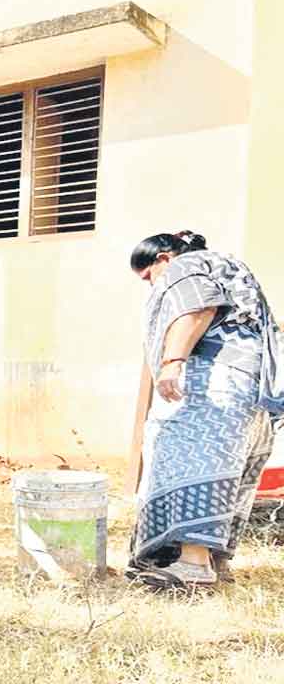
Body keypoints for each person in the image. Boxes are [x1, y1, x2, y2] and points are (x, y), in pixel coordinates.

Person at [126, 231, 281, 589]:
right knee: (229, 469)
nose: (150, 285)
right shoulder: (231, 268)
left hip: (213, 383)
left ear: (164, 257)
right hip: (250, 388)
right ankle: (213, 561)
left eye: (148, 275)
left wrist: (172, 361)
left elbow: (196, 306)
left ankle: (193, 563)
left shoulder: (187, 265)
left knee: (193, 461)